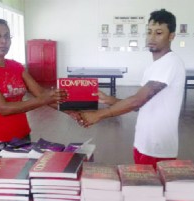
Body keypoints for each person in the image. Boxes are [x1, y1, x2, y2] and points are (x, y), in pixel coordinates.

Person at [79, 9, 186, 170]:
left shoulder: (170, 62)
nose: (151, 37)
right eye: (149, 32)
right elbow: (142, 104)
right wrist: (111, 100)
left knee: (152, 192)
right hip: (144, 142)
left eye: (159, 33)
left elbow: (137, 101)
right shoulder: (155, 66)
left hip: (157, 147)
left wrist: (99, 115)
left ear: (171, 36)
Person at [0, 19, 67, 159]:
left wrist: (74, 113)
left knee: (22, 175)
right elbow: (3, 108)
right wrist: (43, 99)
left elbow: (41, 93)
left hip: (22, 135)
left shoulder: (16, 67)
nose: (4, 41)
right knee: (2, 180)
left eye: (7, 36)